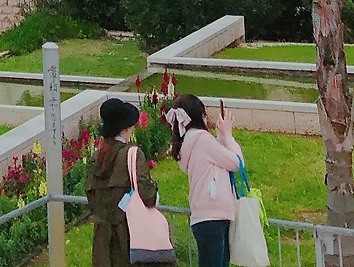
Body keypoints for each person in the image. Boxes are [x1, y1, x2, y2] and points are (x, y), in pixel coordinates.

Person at [167, 95, 243, 267]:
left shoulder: (190, 141)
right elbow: (236, 163)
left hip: (206, 216)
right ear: (200, 116)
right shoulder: (202, 140)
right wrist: (228, 136)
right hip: (213, 217)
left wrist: (221, 137)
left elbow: (217, 158)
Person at [86, 98, 158, 267]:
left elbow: (91, 197)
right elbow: (147, 195)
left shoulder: (96, 158)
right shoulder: (132, 154)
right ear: (125, 128)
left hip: (102, 241)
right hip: (130, 236)